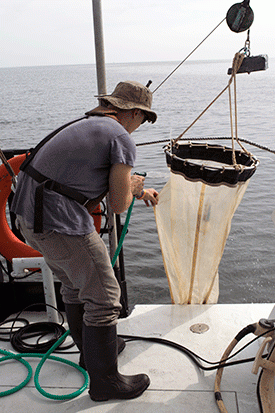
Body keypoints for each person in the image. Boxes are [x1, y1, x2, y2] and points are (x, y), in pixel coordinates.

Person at [11, 80, 159, 401]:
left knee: (77, 287)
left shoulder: (88, 125)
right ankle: (106, 382)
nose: (141, 126)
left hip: (28, 217)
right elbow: (118, 205)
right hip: (58, 222)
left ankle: (90, 354)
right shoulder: (120, 136)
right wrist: (133, 187)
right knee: (105, 298)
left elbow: (86, 182)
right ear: (133, 112)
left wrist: (139, 190)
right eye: (144, 119)